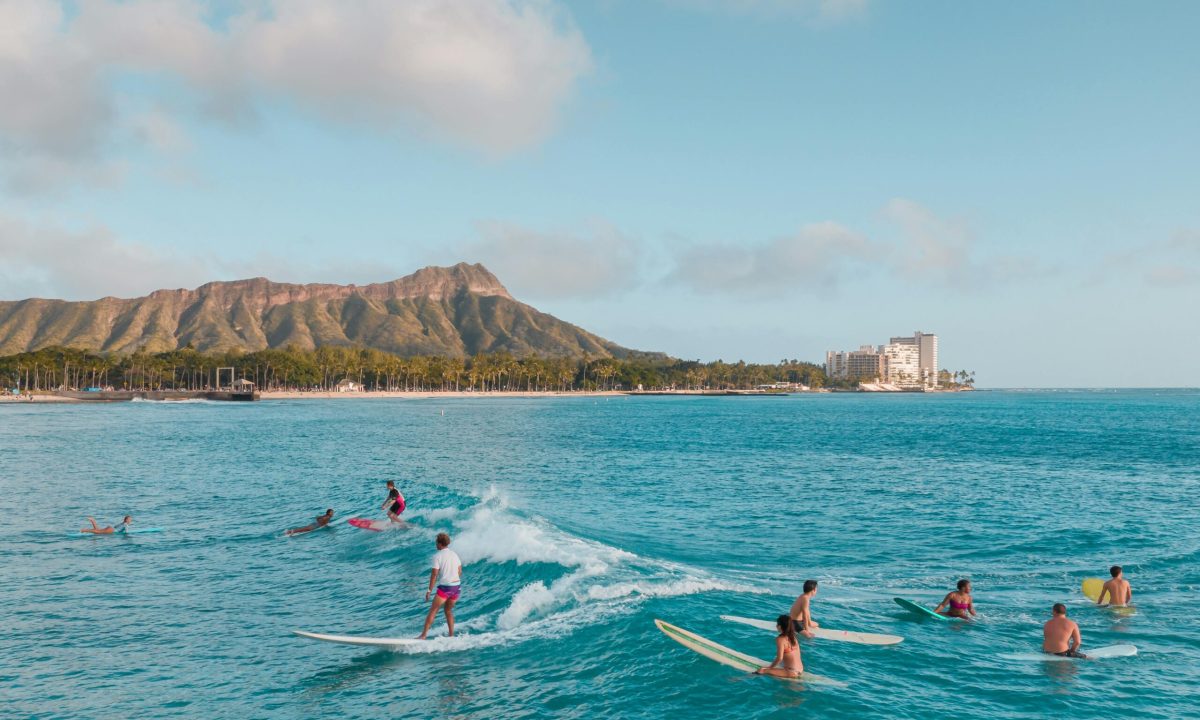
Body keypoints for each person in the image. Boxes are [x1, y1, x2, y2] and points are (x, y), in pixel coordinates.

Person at [419, 532, 462, 639]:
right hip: (456, 587)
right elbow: (459, 571)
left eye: (436, 542)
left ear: (440, 543)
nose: (435, 544)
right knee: (448, 611)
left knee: (433, 610)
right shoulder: (454, 554)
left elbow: (434, 574)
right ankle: (451, 635)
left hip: (445, 588)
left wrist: (429, 590)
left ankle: (423, 635)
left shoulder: (437, 556)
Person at [755, 614, 803, 679]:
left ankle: (741, 678)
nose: (776, 626)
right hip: (800, 669)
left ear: (780, 626)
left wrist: (769, 668)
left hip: (791, 672)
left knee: (762, 670)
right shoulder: (793, 637)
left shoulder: (780, 639)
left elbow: (779, 658)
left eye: (777, 624)